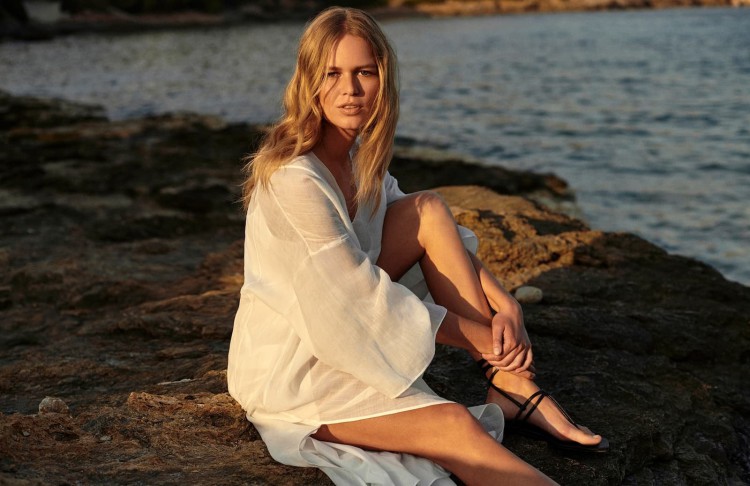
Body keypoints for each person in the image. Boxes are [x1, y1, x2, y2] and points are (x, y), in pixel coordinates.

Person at [227, 6, 608, 485]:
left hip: (344, 332)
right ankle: (503, 376)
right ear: (309, 81)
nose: (350, 89)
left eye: (364, 72)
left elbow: (428, 229)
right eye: (332, 73)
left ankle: (509, 384)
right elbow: (356, 298)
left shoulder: (359, 161)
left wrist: (506, 304)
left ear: (382, 80)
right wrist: (487, 339)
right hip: (294, 367)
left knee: (427, 209)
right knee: (454, 425)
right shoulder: (295, 179)